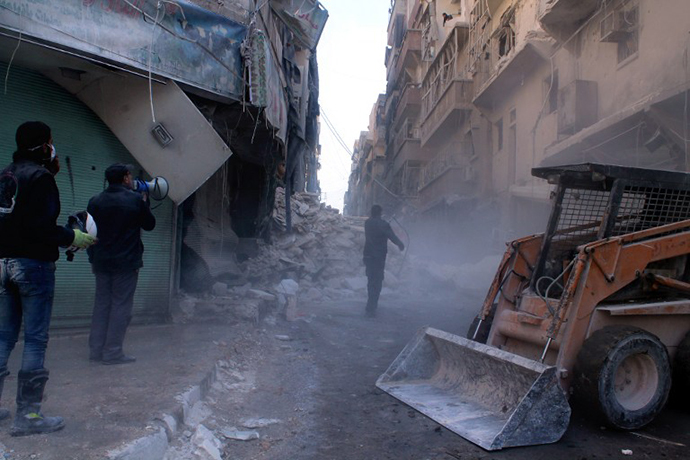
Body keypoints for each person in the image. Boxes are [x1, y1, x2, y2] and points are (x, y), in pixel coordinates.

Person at [0, 121, 96, 436]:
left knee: (3, 337)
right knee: (35, 339)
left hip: (3, 264)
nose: (53, 147)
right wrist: (73, 237)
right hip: (33, 267)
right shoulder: (40, 178)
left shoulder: (6, 174)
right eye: (50, 142)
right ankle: (27, 416)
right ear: (43, 146)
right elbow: (41, 227)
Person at [87, 164, 155, 365]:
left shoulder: (95, 201)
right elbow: (149, 225)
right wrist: (145, 201)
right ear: (125, 178)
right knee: (120, 306)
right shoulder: (135, 199)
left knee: (101, 305)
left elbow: (89, 230)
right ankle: (113, 352)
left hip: (101, 261)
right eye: (130, 175)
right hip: (125, 263)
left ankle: (96, 350)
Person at [363, 205, 405, 317]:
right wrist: (400, 244)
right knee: (377, 281)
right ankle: (372, 306)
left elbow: (378, 226)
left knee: (371, 280)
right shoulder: (383, 224)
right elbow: (392, 236)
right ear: (380, 213)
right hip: (378, 257)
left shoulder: (367, 223)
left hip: (368, 256)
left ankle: (370, 305)